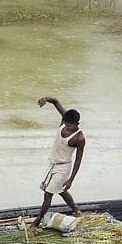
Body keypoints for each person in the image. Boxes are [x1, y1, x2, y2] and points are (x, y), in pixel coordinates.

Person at [30, 97, 85, 228]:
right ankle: (76, 210)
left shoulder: (79, 138)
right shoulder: (64, 121)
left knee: (48, 194)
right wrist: (45, 99)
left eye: (69, 124)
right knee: (60, 190)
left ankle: (37, 220)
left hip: (63, 167)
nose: (66, 126)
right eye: (65, 123)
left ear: (76, 123)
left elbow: (78, 160)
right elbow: (55, 101)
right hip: (53, 164)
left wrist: (71, 179)